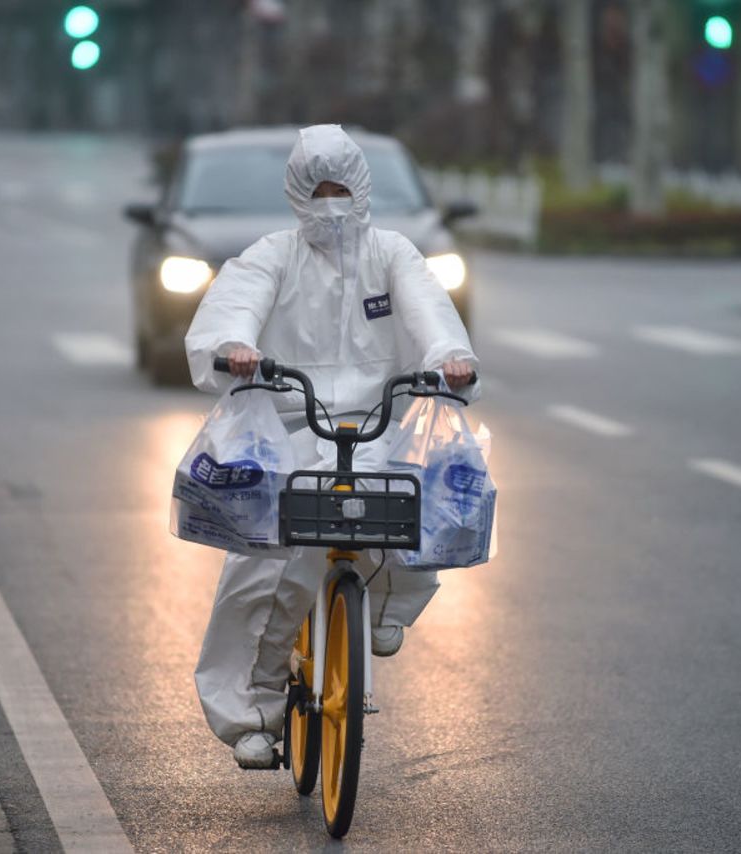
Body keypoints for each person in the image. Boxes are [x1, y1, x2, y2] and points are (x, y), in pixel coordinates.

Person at [184, 124, 479, 768]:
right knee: (265, 560)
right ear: (296, 193)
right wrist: (234, 347)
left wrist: (450, 356)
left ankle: (381, 607)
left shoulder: (394, 254)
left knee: (420, 505)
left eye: (340, 187)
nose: (330, 202)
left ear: (361, 187)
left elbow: (429, 307)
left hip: (377, 427)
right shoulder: (272, 255)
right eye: (316, 190)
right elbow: (235, 301)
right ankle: (254, 714)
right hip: (291, 432)